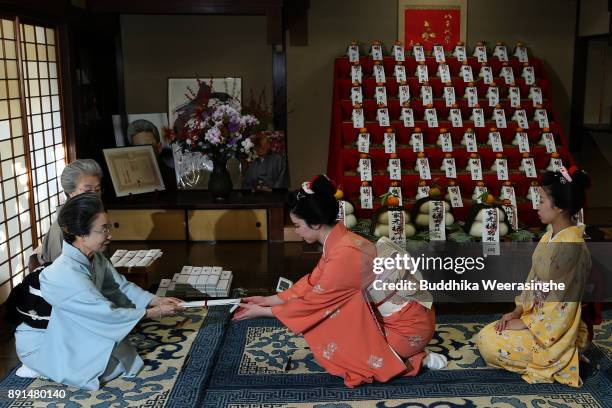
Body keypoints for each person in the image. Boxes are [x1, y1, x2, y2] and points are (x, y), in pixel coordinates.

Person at [233, 175, 445, 387]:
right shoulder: (340, 241)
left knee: (329, 321)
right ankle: (405, 352)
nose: (296, 231)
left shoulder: (345, 253)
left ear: (315, 223)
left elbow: (315, 303)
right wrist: (269, 300)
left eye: (297, 225)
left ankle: (416, 358)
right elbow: (312, 282)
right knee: (331, 313)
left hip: (407, 329)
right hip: (397, 318)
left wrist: (263, 312)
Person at [14, 193, 184, 390]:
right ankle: (40, 365)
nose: (110, 235)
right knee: (105, 369)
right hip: (44, 339)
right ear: (81, 235)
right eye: (103, 230)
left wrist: (155, 300)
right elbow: (105, 313)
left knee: (122, 358)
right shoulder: (65, 274)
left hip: (74, 327)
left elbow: (120, 287)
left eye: (108, 227)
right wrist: (155, 313)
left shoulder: (96, 257)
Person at [476, 167, 592, 387]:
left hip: (557, 331)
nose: (536, 206)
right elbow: (533, 283)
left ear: (557, 207)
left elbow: (562, 306)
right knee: (488, 334)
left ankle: (569, 355)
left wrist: (527, 324)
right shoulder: (550, 236)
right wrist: (518, 310)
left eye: (541, 201)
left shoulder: (571, 248)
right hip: (539, 321)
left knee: (490, 343)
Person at [40, 159, 104, 263]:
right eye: (87, 190)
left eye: (97, 190)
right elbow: (62, 275)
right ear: (70, 192)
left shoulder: (91, 219)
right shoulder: (62, 231)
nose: (94, 196)